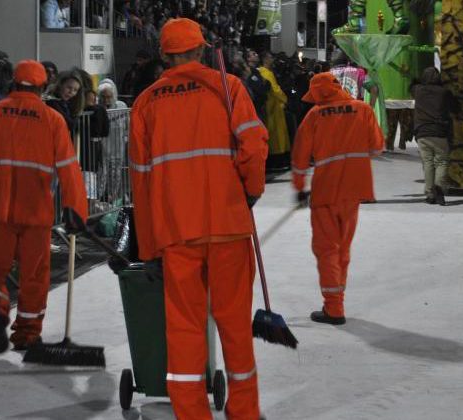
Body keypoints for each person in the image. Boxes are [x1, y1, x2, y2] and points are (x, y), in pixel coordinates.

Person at [129, 18, 268, 420]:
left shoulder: (147, 102)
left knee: (185, 326)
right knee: (234, 323)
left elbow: (141, 180)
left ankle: (191, 413)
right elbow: (254, 144)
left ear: (163, 55)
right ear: (202, 49)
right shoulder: (227, 88)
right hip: (227, 224)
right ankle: (244, 411)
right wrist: (252, 190)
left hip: (177, 229)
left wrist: (150, 241)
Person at [0, 60, 88, 353]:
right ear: (43, 88)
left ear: (13, 84)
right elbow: (69, 169)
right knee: (34, 276)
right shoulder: (53, 119)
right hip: (35, 213)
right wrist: (76, 210)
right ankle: (27, 333)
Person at [291, 72, 384, 325]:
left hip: (326, 190)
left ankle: (333, 308)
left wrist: (299, 188)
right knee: (342, 248)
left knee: (326, 248)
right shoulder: (362, 109)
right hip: (355, 190)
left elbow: (300, 158)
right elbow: (377, 147)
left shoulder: (314, 116)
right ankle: (337, 302)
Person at [411, 67, 455, 205]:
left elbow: (411, 84)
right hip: (440, 131)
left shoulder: (418, 91)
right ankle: (439, 187)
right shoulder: (444, 93)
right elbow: (455, 108)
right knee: (441, 161)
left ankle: (430, 193)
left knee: (428, 162)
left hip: (422, 132)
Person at [258, 51, 290, 164]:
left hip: (270, 105)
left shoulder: (261, 72)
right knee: (276, 134)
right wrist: (285, 99)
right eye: (271, 57)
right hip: (274, 106)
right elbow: (275, 89)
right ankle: (277, 157)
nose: (272, 60)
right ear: (266, 59)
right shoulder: (267, 73)